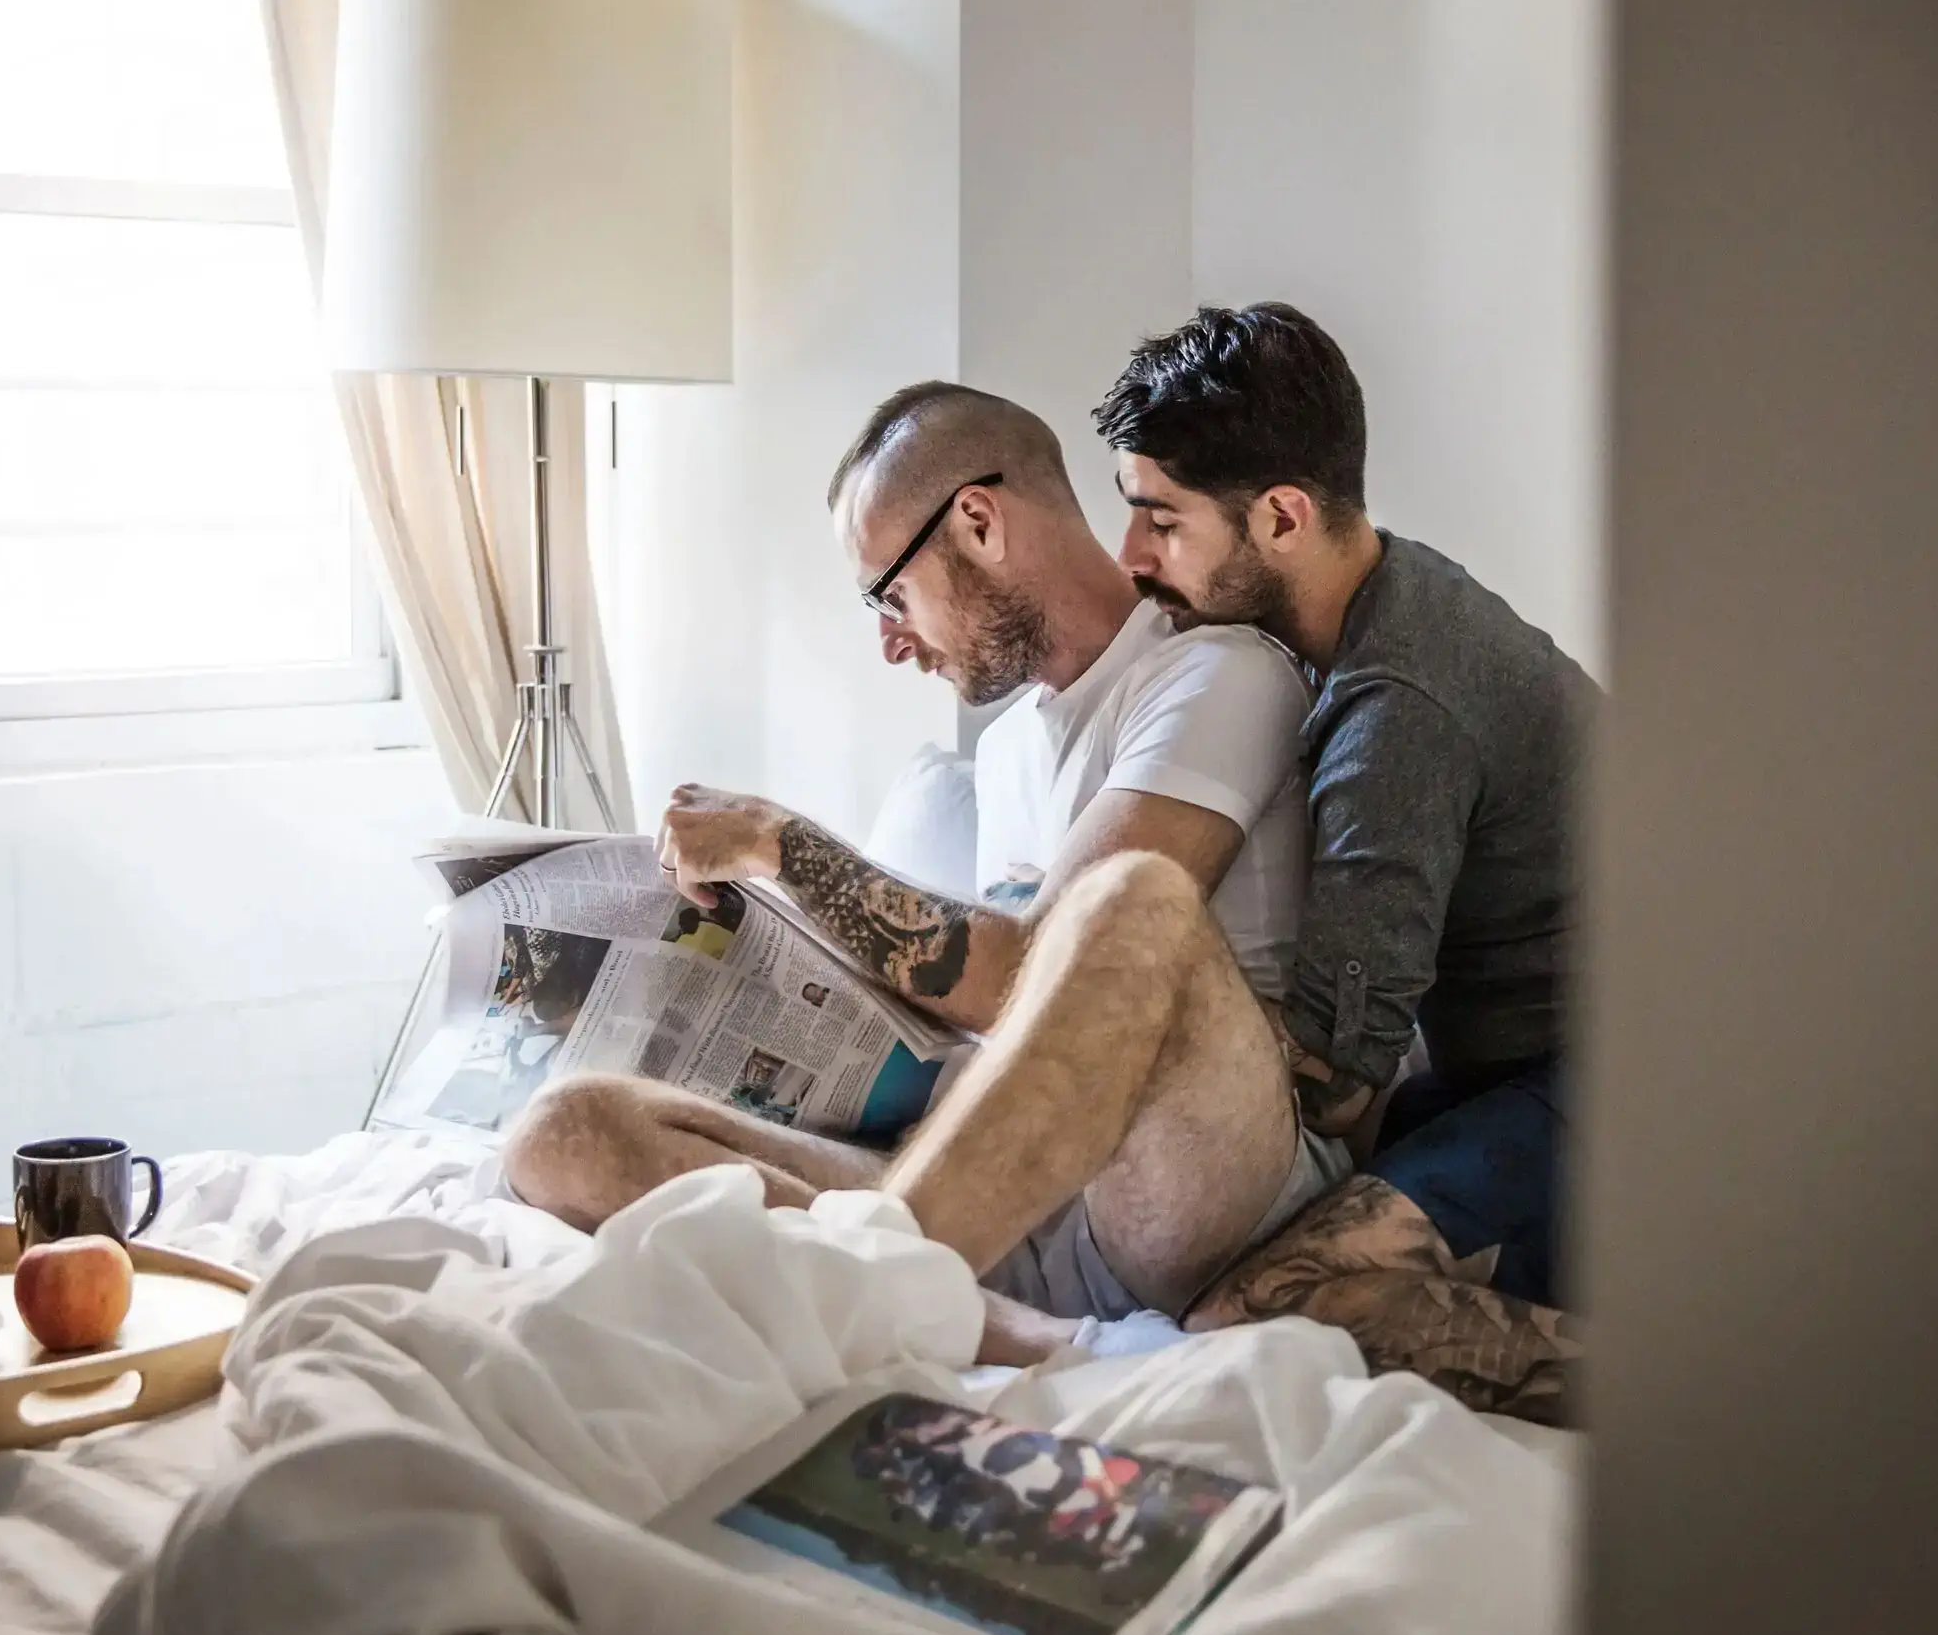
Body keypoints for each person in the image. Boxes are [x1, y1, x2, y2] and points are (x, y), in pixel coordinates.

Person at [500, 383, 1344, 1363]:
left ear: (978, 522)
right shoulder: (1011, 748)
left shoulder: (1217, 674)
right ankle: (1009, 1332)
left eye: (890, 596)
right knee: (564, 1130)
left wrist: (785, 844)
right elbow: (982, 1006)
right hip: (995, 1195)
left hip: (1181, 1175)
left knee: (1132, 903)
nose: (891, 641)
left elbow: (1031, 966)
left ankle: (885, 1285)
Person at [1096, 302, 1594, 1422]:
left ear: (1280, 516)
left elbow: (1336, 1079)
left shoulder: (1394, 711)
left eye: (1160, 522)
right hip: (1514, 1069)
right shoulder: (1394, 590)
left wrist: (1147, 1000)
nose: (1132, 559)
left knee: (1247, 1317)